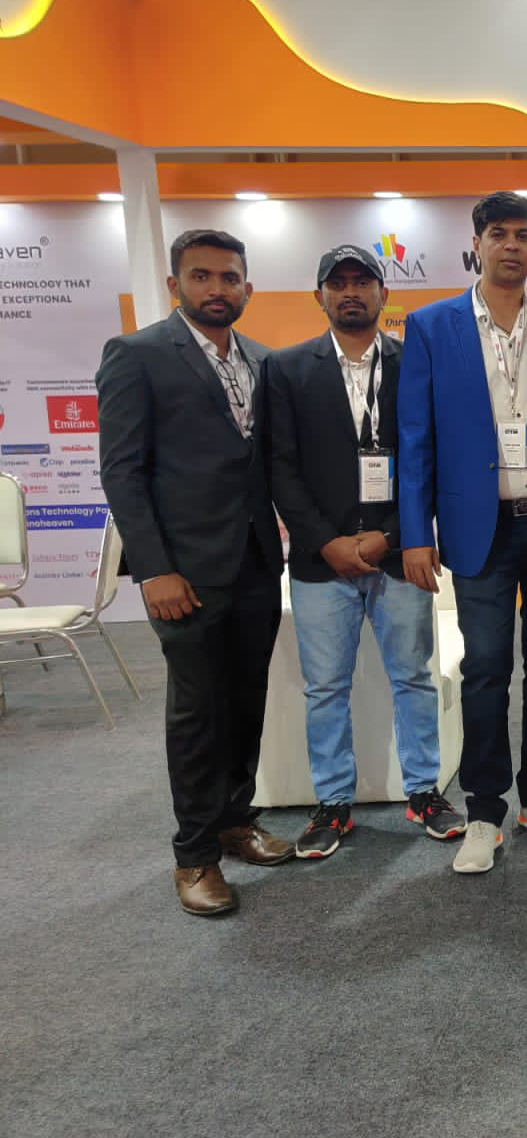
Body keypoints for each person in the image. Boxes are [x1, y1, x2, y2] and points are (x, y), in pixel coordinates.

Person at [97, 229, 292, 916]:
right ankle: (195, 854)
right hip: (183, 573)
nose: (216, 288)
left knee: (245, 700)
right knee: (196, 711)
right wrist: (154, 569)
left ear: (247, 287)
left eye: (229, 277)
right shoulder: (137, 354)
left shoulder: (263, 360)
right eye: (202, 276)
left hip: (256, 563)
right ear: (175, 283)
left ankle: (235, 820)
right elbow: (122, 471)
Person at [397, 192, 527, 874]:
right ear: (476, 243)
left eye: (524, 234)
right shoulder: (431, 326)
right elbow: (415, 438)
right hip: (480, 528)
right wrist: (414, 532)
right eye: (499, 233)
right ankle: (484, 811)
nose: (512, 245)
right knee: (484, 670)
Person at [266, 245, 464, 859]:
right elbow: (279, 467)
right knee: (325, 687)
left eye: (363, 281)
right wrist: (326, 541)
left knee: (413, 678)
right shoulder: (286, 369)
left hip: (398, 552)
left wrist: (390, 537)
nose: (350, 291)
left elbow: (434, 458)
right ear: (319, 295)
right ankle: (332, 803)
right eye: (338, 283)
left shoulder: (414, 362)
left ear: (384, 294)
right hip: (319, 561)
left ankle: (424, 791)